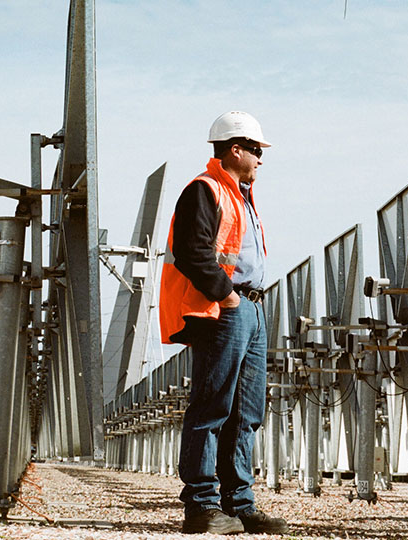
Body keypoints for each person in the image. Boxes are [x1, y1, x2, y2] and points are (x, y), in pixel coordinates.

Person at [158, 111, 288, 535]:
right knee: (212, 405)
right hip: (225, 309)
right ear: (236, 149)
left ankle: (239, 504)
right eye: (256, 150)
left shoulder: (241, 195)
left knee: (246, 412)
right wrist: (228, 297)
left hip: (250, 308)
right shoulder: (206, 189)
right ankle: (201, 505)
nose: (260, 159)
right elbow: (193, 251)